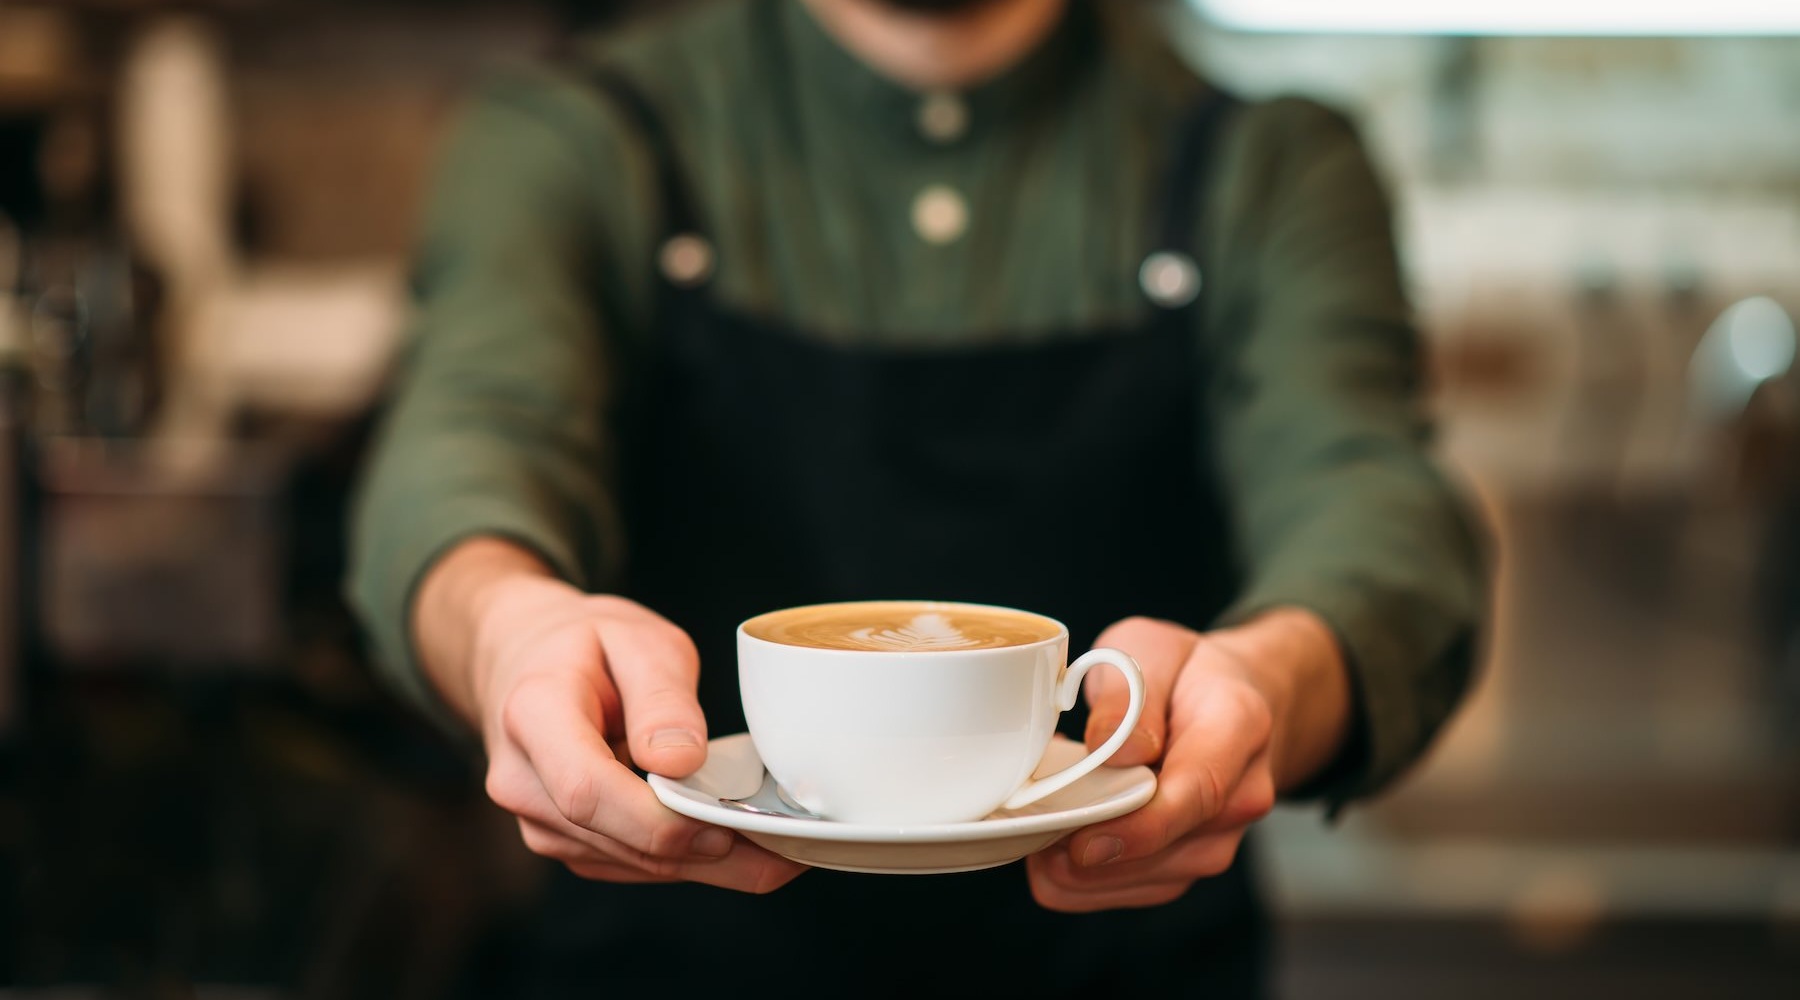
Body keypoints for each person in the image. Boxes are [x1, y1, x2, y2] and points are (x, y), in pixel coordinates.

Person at [344, 0, 1491, 995]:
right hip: (669, 962)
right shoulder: (575, 133)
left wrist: (1272, 681)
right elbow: (470, 433)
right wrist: (509, 629)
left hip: (1125, 965)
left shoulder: (1271, 160)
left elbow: (1370, 497)